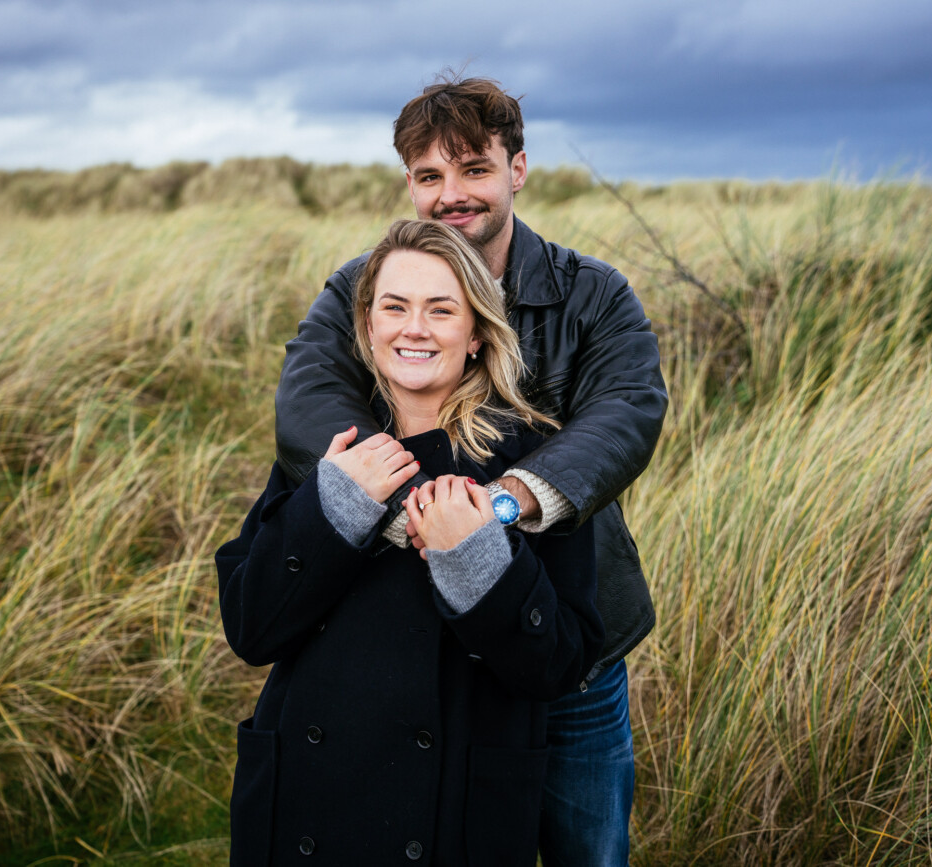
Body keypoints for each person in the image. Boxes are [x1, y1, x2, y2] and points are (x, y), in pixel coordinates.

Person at [274, 74, 667, 865]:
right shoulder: (364, 287)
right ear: (409, 184)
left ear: (517, 169)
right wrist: (417, 513)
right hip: (430, 656)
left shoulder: (593, 296)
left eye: (474, 170)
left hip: (575, 655)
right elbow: (308, 399)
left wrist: (495, 509)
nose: (452, 195)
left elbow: (627, 412)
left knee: (589, 851)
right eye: (429, 176)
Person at [217, 219, 604, 865]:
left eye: (441, 309)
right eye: (394, 306)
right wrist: (334, 505)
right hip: (305, 804)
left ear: (476, 332)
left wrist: (477, 559)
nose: (414, 328)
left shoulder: (532, 462)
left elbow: (557, 666)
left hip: (452, 814)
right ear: (368, 325)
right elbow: (252, 629)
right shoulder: (328, 449)